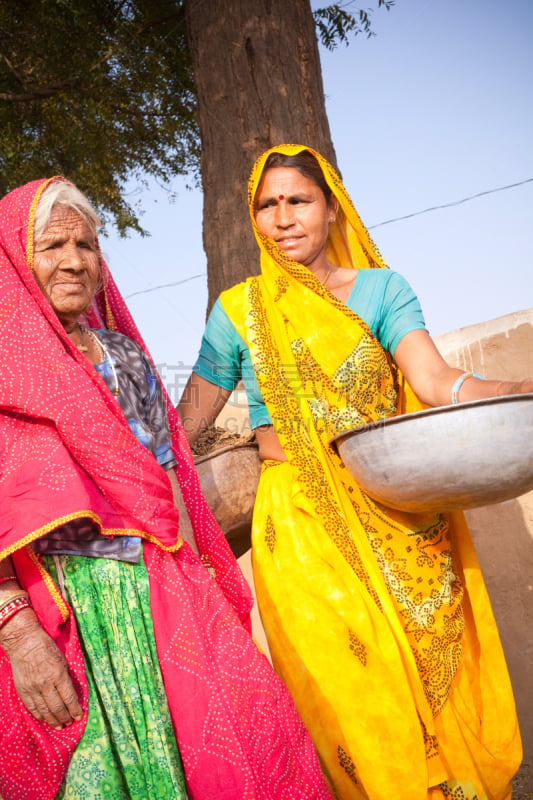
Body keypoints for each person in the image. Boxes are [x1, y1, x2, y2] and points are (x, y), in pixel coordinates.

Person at [177, 144, 531, 800]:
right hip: (300, 527)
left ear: (333, 210)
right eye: (267, 204)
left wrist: (514, 386)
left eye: (298, 201)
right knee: (345, 695)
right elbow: (187, 420)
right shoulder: (239, 309)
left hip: (397, 514)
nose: (282, 218)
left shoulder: (381, 290)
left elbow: (433, 379)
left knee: (425, 686)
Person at [0, 176, 332, 800]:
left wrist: (199, 579)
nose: (74, 261)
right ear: (16, 257)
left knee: (246, 736)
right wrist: (17, 632)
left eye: (87, 246)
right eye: (52, 246)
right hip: (61, 608)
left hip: (164, 585)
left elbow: (163, 480)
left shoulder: (123, 356)